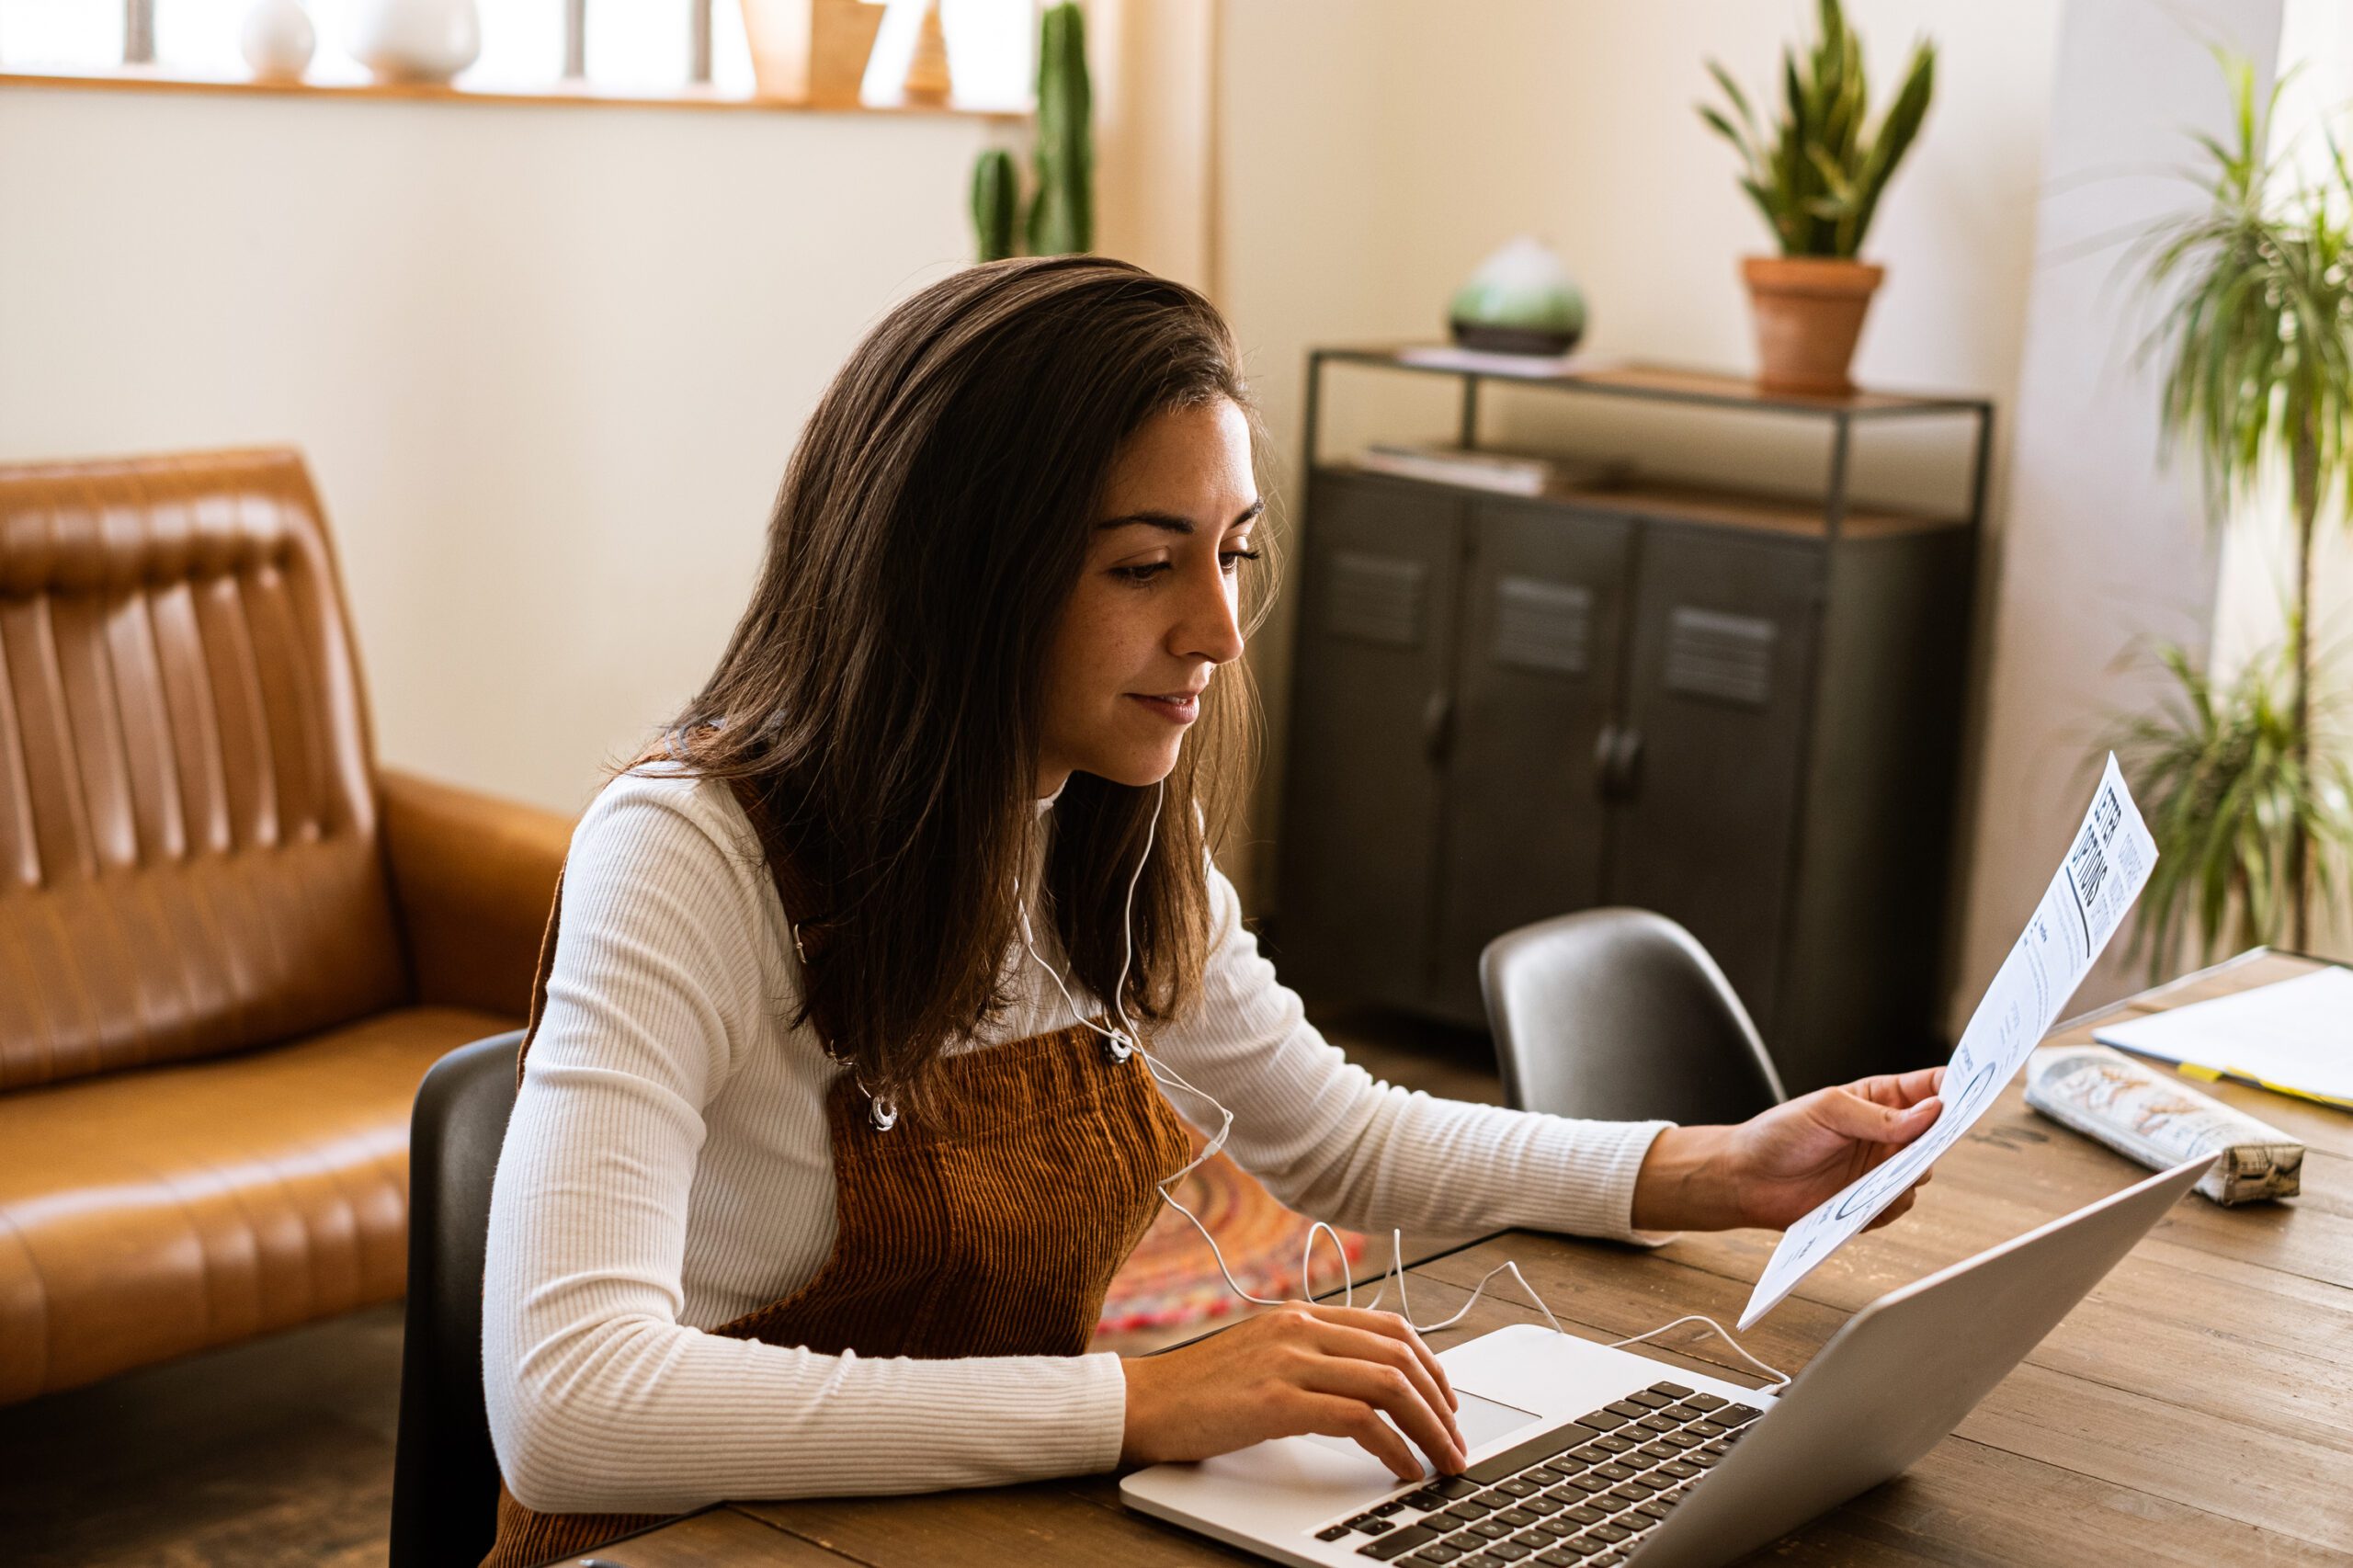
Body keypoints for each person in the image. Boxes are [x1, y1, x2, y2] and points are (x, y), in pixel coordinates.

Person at [476, 256, 1943, 1567]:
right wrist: (1137, 1397)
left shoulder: (1104, 837)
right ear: (952, 582)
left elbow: (1342, 1132)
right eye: (1142, 565)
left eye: (1232, 550)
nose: (1220, 630)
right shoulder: (684, 858)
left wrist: (1716, 1168)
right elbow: (574, 1409)